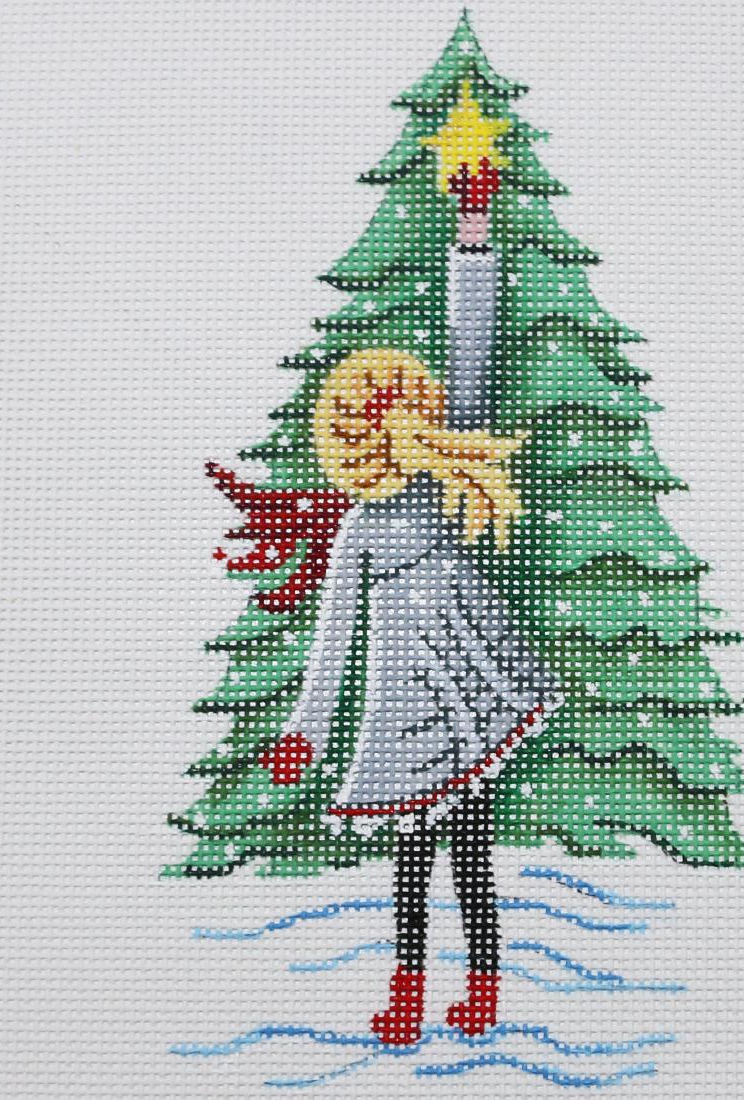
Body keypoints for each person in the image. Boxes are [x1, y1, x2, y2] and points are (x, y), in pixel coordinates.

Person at [267, 186, 560, 1046]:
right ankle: (417, 991)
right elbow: (333, 645)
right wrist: (307, 732)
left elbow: (473, 348)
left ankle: (470, 990)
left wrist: (473, 232)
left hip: (464, 694)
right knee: (421, 858)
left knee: (459, 853)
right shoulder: (363, 529)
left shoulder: (440, 484)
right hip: (412, 715)